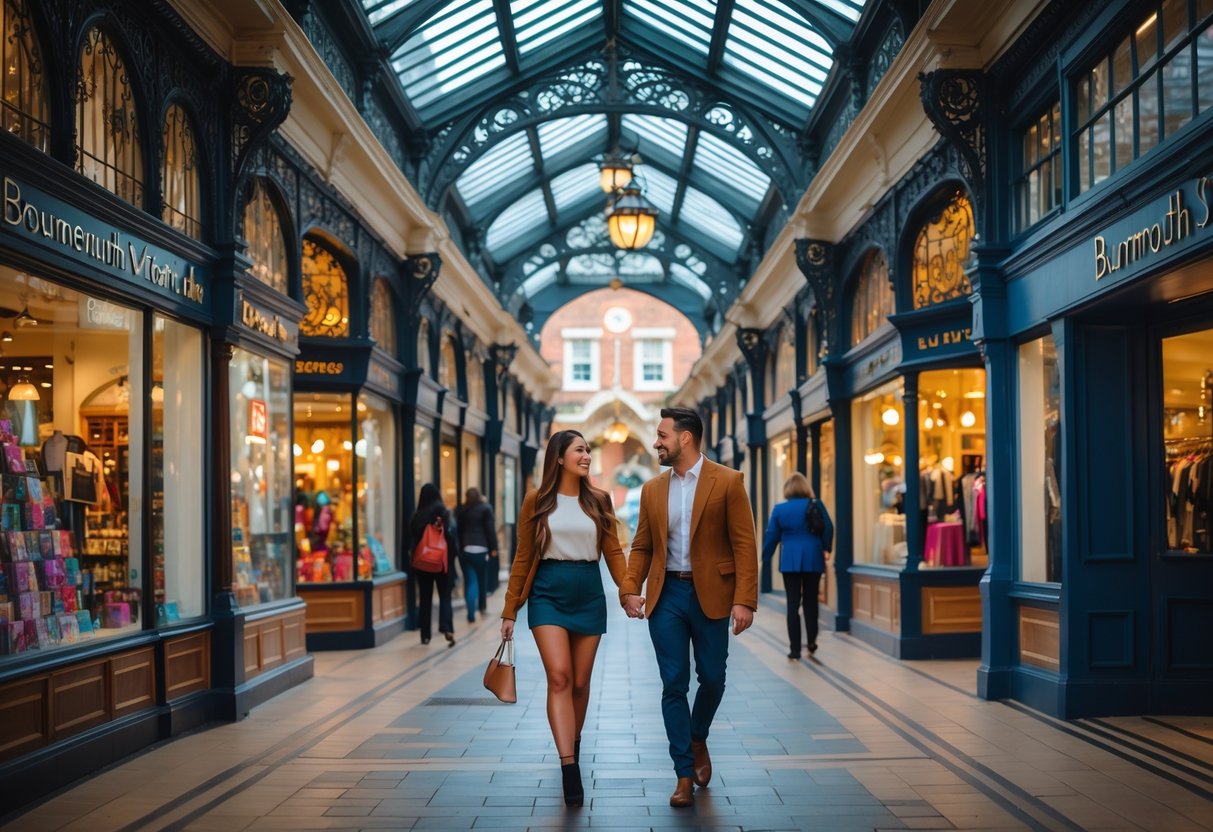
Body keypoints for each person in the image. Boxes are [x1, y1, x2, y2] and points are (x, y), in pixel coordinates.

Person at [620, 407, 758, 808]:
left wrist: (744, 599)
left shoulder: (729, 481)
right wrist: (630, 587)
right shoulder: (651, 490)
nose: (655, 442)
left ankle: (697, 737)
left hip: (711, 594)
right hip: (668, 598)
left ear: (685, 438)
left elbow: (744, 544)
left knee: (713, 678)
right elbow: (642, 545)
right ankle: (683, 773)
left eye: (662, 435)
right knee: (674, 683)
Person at [501, 430, 628, 807]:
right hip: (547, 593)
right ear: (558, 457)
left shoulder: (599, 500)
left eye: (588, 450)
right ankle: (568, 765)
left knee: (580, 682)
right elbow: (524, 557)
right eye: (580, 450)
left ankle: (572, 738)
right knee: (559, 676)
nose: (587, 455)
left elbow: (614, 553)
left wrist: (629, 591)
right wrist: (511, 609)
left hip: (588, 591)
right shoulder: (536, 501)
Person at [762, 472, 833, 660]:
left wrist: (765, 557)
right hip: (813, 557)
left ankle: (794, 649)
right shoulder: (816, 504)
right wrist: (827, 548)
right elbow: (828, 527)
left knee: (792, 604)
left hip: (790, 559)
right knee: (811, 601)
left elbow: (771, 535)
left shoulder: (779, 509)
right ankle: (811, 641)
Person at [409, 483, 457, 646]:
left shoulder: (417, 516)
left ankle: (425, 635)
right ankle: (446, 627)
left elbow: (411, 538)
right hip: (442, 561)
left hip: (422, 562)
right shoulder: (443, 513)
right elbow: (451, 536)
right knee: (445, 594)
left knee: (425, 597)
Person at [455, 487, 496, 622]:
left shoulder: (462, 511)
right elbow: (490, 530)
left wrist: (460, 549)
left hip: (466, 550)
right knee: (481, 580)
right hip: (481, 549)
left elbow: (458, 532)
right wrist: (493, 548)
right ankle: (482, 607)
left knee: (470, 582)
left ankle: (471, 614)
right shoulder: (485, 509)